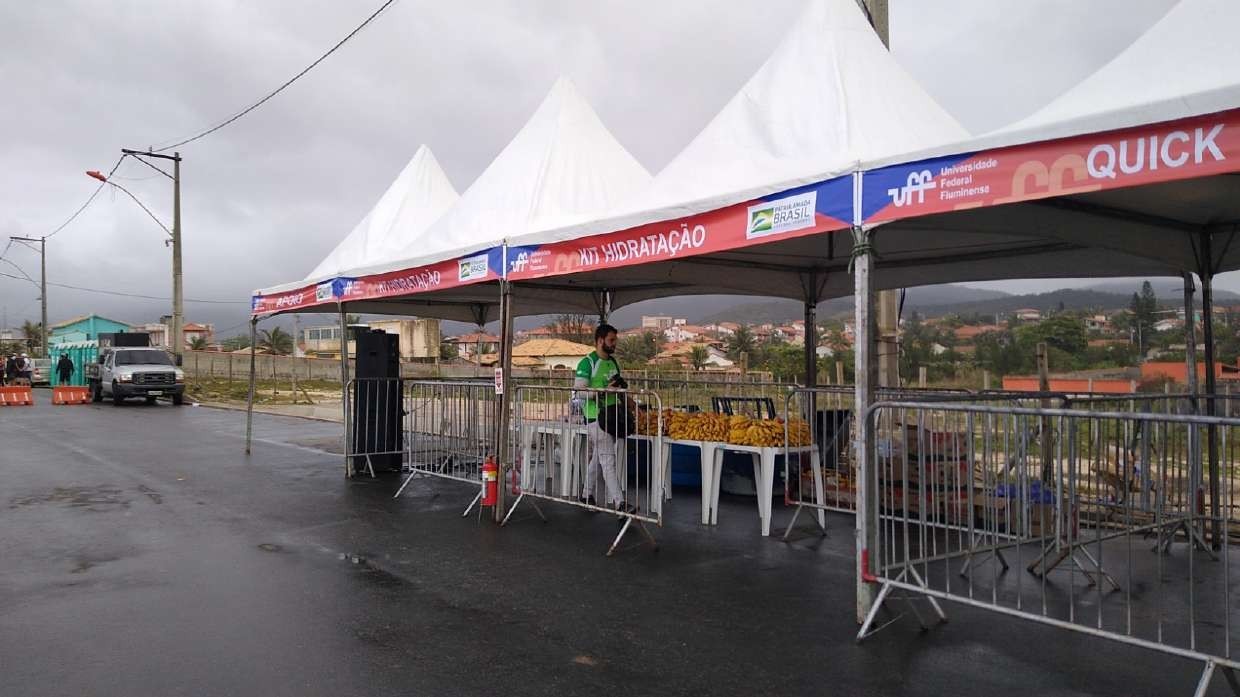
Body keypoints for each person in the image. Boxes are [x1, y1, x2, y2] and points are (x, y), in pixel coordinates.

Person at [573, 323, 635, 513]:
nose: (614, 343)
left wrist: (629, 401)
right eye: (611, 340)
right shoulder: (587, 363)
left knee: (599, 458)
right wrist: (602, 391)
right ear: (600, 341)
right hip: (595, 418)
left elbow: (618, 387)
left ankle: (586, 494)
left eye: (615, 340)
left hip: (613, 416)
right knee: (608, 460)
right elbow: (579, 392)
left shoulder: (613, 362)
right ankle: (620, 503)